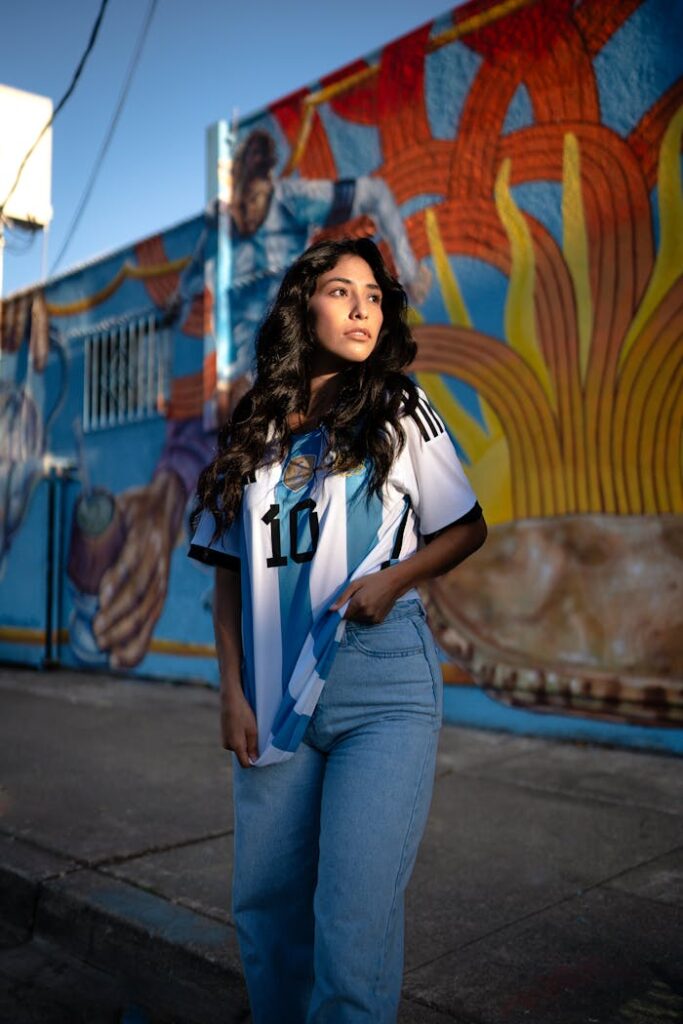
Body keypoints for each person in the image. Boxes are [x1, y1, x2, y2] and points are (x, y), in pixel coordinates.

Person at [187, 236, 486, 1023]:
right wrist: (230, 692)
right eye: (341, 291)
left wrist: (392, 580)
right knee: (266, 911)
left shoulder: (394, 403)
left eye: (374, 297)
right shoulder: (253, 430)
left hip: (381, 686)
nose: (362, 308)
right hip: (271, 690)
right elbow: (228, 574)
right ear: (303, 304)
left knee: (353, 922)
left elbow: (465, 526)